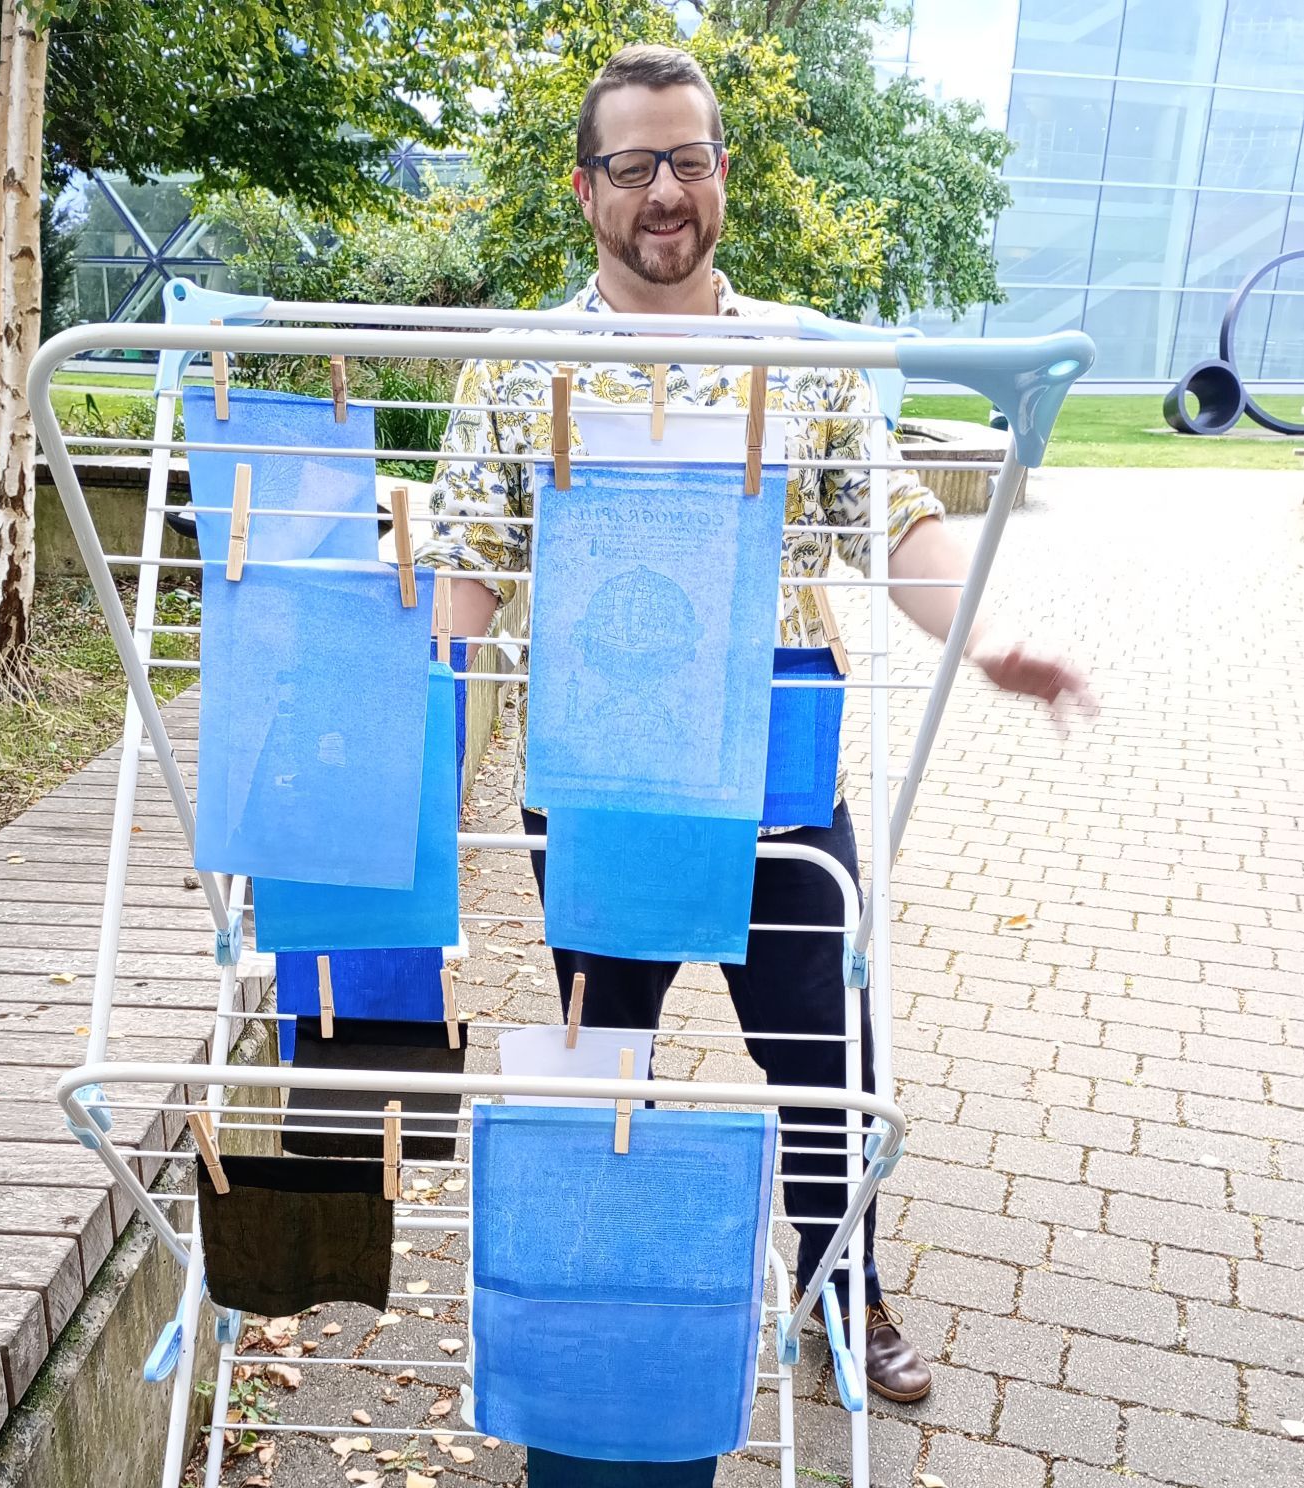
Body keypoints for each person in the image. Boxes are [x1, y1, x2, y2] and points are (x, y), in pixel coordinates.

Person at [420, 42, 1093, 1403]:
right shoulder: (518, 369)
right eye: (632, 165)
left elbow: (893, 527)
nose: (662, 191)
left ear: (721, 170)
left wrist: (985, 637)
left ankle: (842, 1290)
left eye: (687, 158)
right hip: (599, 788)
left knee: (824, 1065)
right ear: (584, 186)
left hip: (778, 781)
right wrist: (405, 743)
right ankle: (610, 1298)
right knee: (604, 1054)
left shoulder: (802, 358)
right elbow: (469, 570)